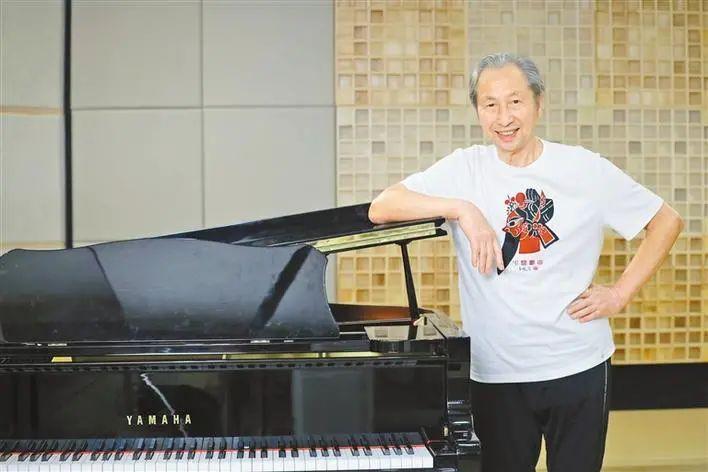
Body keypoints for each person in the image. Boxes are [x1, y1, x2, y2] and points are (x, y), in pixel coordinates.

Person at [368, 53, 683, 472]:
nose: (504, 118)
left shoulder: (582, 168)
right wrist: (462, 209)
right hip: (496, 373)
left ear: (538, 103)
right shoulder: (465, 169)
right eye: (490, 104)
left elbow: (666, 221)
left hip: (577, 363)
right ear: (478, 111)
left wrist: (620, 294)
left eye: (515, 102)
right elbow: (382, 206)